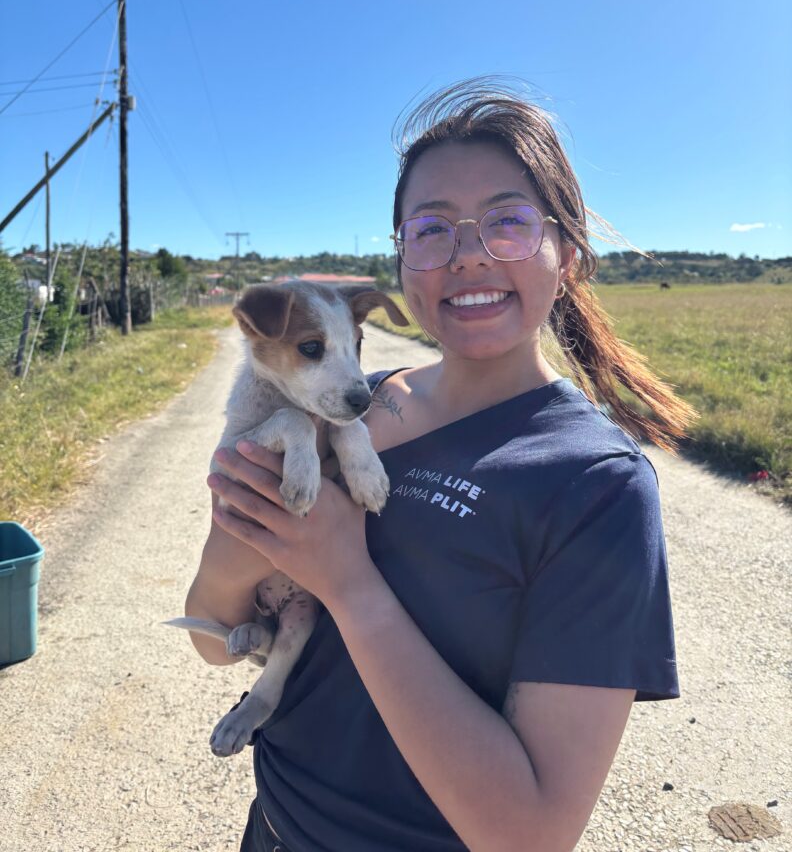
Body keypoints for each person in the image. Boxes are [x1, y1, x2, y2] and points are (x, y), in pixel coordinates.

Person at [185, 78, 694, 852]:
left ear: (569, 252)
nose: (467, 256)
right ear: (400, 257)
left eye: (509, 222)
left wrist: (348, 583)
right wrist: (244, 546)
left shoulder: (596, 486)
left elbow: (529, 835)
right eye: (431, 229)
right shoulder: (359, 407)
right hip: (274, 828)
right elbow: (212, 631)